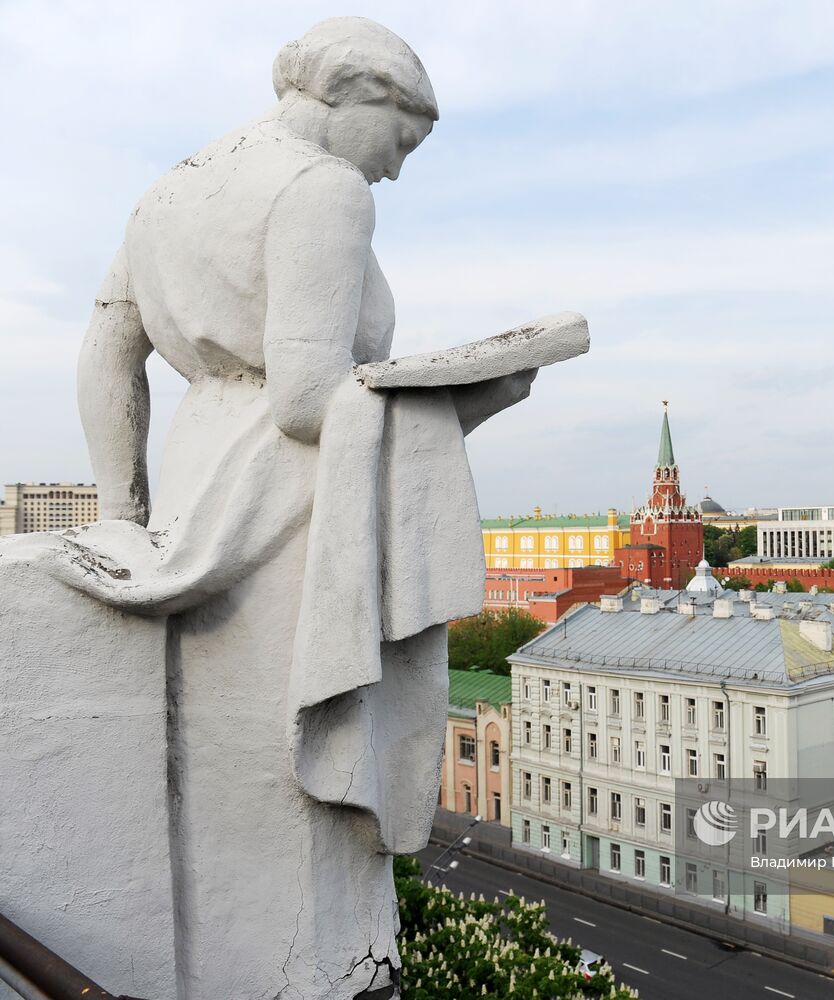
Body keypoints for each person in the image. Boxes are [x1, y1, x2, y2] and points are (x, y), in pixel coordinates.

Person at [63, 17, 534, 998]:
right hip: (285, 501)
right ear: (360, 97)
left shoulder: (173, 188)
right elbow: (309, 398)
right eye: (403, 142)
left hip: (198, 482)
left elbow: (109, 350)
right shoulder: (326, 189)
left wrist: (124, 509)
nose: (397, 172)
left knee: (221, 758)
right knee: (296, 776)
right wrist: (468, 397)